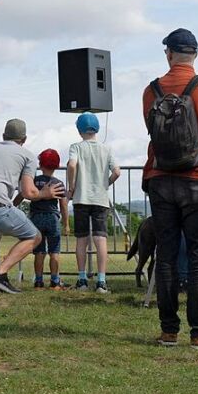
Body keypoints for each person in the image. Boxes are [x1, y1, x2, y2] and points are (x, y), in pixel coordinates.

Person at [142, 28, 198, 349]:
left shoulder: (150, 91)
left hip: (160, 179)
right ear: (195, 55)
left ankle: (169, 331)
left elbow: (154, 133)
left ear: (168, 54)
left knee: (165, 255)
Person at [0, 119, 64, 295]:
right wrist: (45, 194)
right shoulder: (27, 156)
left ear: (3, 136)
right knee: (34, 236)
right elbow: (29, 192)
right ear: (24, 139)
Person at [67, 112, 120, 293]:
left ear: (79, 129)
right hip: (100, 198)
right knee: (100, 238)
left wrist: (72, 186)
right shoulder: (106, 149)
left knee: (82, 239)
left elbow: (72, 165)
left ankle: (82, 280)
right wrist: (106, 183)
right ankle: (101, 281)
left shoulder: (76, 147)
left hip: (81, 198)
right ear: (97, 128)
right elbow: (117, 171)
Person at [30, 149, 68, 291]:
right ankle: (55, 281)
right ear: (57, 165)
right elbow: (63, 205)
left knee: (39, 252)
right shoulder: (58, 183)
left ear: (40, 164)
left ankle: (39, 282)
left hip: (36, 218)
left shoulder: (35, 181)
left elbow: (25, 193)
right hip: (52, 218)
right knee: (54, 251)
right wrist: (66, 224)